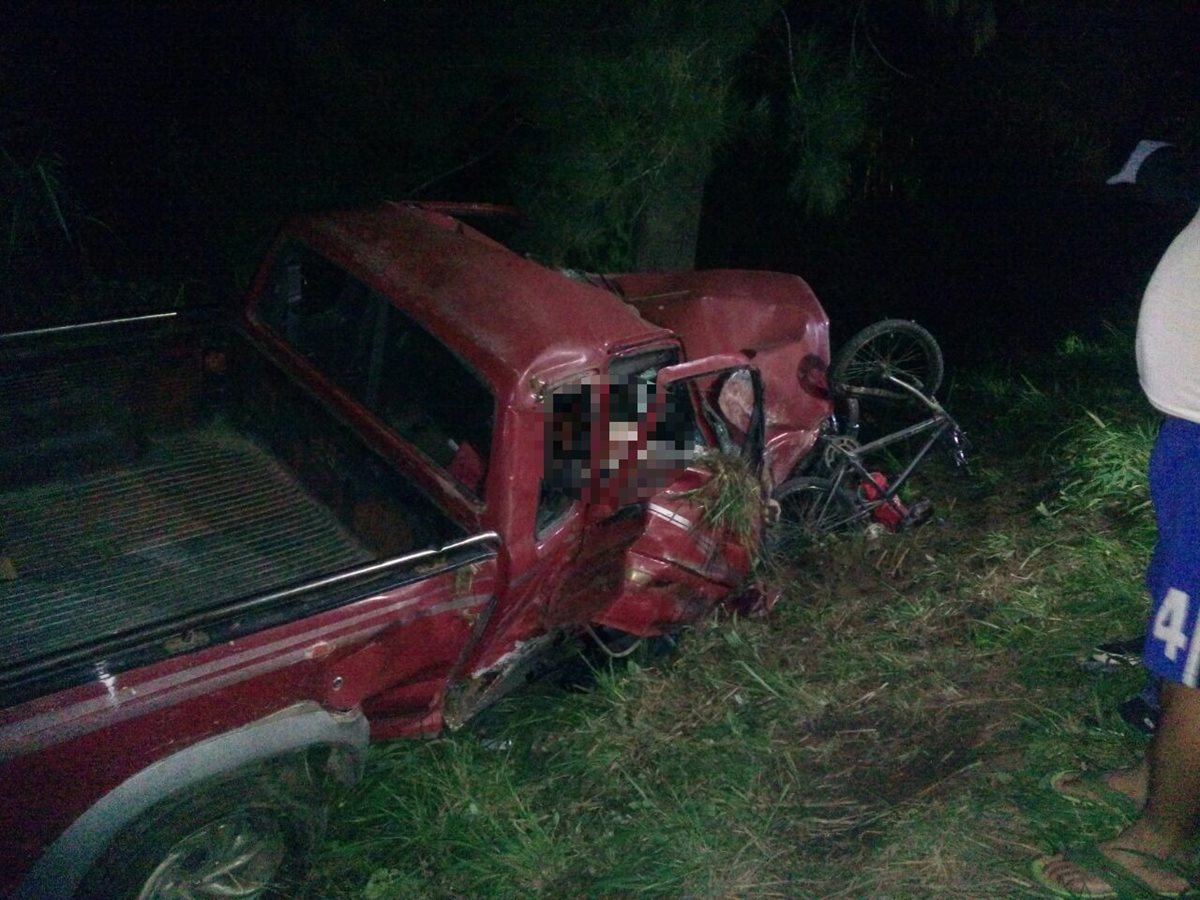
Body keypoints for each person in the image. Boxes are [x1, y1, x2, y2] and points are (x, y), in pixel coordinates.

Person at [1032, 142, 1200, 896]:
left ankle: (1161, 844)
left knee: (1196, 652)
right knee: (1173, 621)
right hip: (1189, 428)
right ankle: (1156, 772)